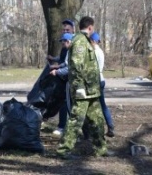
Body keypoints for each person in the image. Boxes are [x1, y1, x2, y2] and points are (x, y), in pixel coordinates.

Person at [57, 16, 107, 159]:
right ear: (90, 27)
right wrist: (79, 86)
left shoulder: (85, 41)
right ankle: (64, 150)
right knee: (75, 120)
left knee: (97, 120)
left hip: (92, 90)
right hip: (83, 90)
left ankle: (101, 148)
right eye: (94, 28)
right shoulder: (79, 41)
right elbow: (76, 64)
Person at [47, 19, 75, 136]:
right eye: (63, 29)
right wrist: (55, 61)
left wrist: (57, 71)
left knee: (69, 104)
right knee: (65, 103)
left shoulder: (74, 44)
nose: (64, 31)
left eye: (67, 29)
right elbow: (64, 60)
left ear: (73, 29)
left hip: (70, 79)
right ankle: (66, 127)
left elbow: (69, 66)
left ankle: (67, 128)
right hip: (64, 78)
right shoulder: (66, 43)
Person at [90, 32, 115, 137]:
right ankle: (110, 126)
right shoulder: (100, 51)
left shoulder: (95, 52)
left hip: (96, 80)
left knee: (94, 106)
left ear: (94, 41)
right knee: (102, 105)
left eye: (90, 41)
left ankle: (97, 129)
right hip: (100, 79)